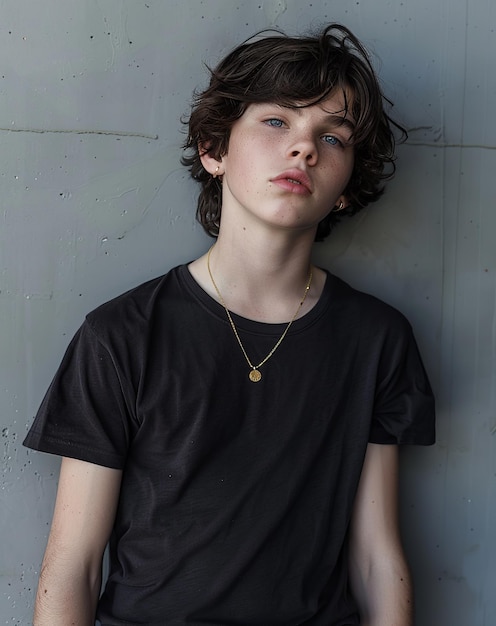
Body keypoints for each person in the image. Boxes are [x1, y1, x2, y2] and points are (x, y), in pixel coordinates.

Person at [24, 23, 435, 626]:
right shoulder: (121, 335)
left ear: (346, 189)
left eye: (333, 137)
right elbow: (74, 565)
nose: (304, 148)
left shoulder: (376, 340)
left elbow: (376, 556)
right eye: (276, 122)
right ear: (215, 150)